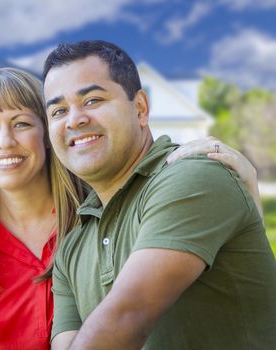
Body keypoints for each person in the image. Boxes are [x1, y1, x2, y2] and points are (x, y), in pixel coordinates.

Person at [0, 67, 263, 350]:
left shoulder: (99, 213)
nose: (5, 141)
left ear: (48, 132)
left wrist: (247, 190)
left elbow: (228, 283)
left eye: (21, 123)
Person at [43, 40, 276, 349]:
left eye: (93, 100)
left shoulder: (192, 176)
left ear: (140, 108)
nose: (74, 120)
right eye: (59, 111)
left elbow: (128, 314)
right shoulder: (71, 248)